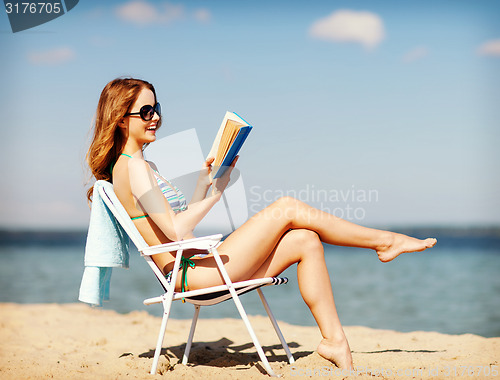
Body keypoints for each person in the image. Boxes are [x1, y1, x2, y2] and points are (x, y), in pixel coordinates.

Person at [86, 77, 437, 370]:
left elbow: (173, 225)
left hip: (194, 265)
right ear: (120, 118)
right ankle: (384, 242)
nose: (155, 118)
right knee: (286, 207)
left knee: (305, 239)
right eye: (145, 111)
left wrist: (205, 184)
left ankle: (335, 342)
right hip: (192, 274)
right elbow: (176, 231)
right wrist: (214, 198)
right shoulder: (134, 167)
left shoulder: (134, 165)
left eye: (157, 108)